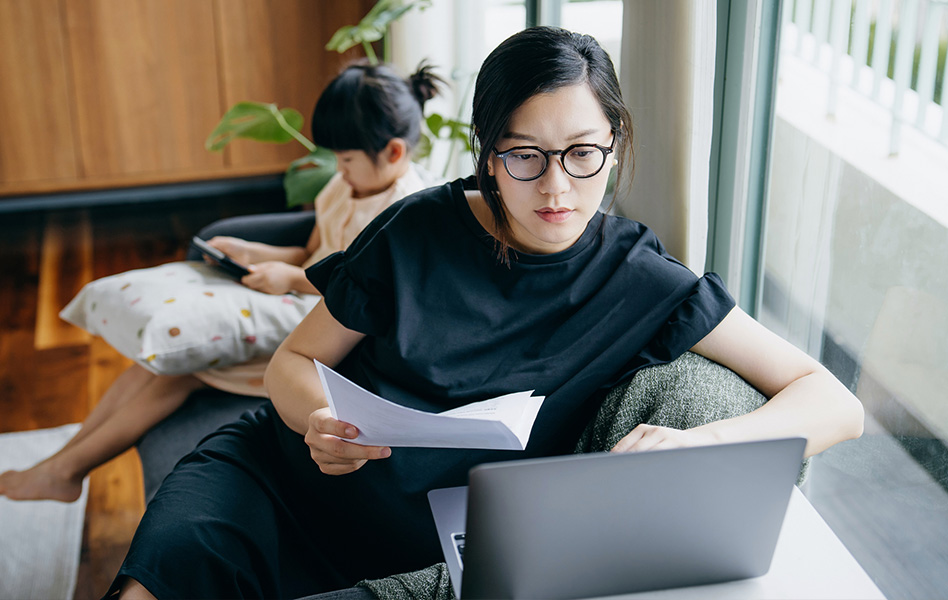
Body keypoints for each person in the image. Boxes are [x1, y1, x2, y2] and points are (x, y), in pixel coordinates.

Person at [108, 27, 864, 600]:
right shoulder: (417, 231)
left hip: (429, 544)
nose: (556, 187)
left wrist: (706, 443)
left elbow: (834, 402)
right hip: (286, 481)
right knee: (160, 575)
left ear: (614, 143)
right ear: (488, 153)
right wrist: (318, 423)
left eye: (581, 153)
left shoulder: (638, 278)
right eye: (523, 155)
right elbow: (293, 362)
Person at [0, 62, 442, 504]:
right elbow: (314, 252)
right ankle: (61, 464)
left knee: (175, 373)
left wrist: (290, 278)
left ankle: (65, 470)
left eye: (346, 159)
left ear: (394, 154)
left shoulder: (401, 215)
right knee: (153, 365)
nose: (338, 168)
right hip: (292, 301)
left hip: (328, 336)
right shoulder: (343, 186)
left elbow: (365, 294)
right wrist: (254, 253)